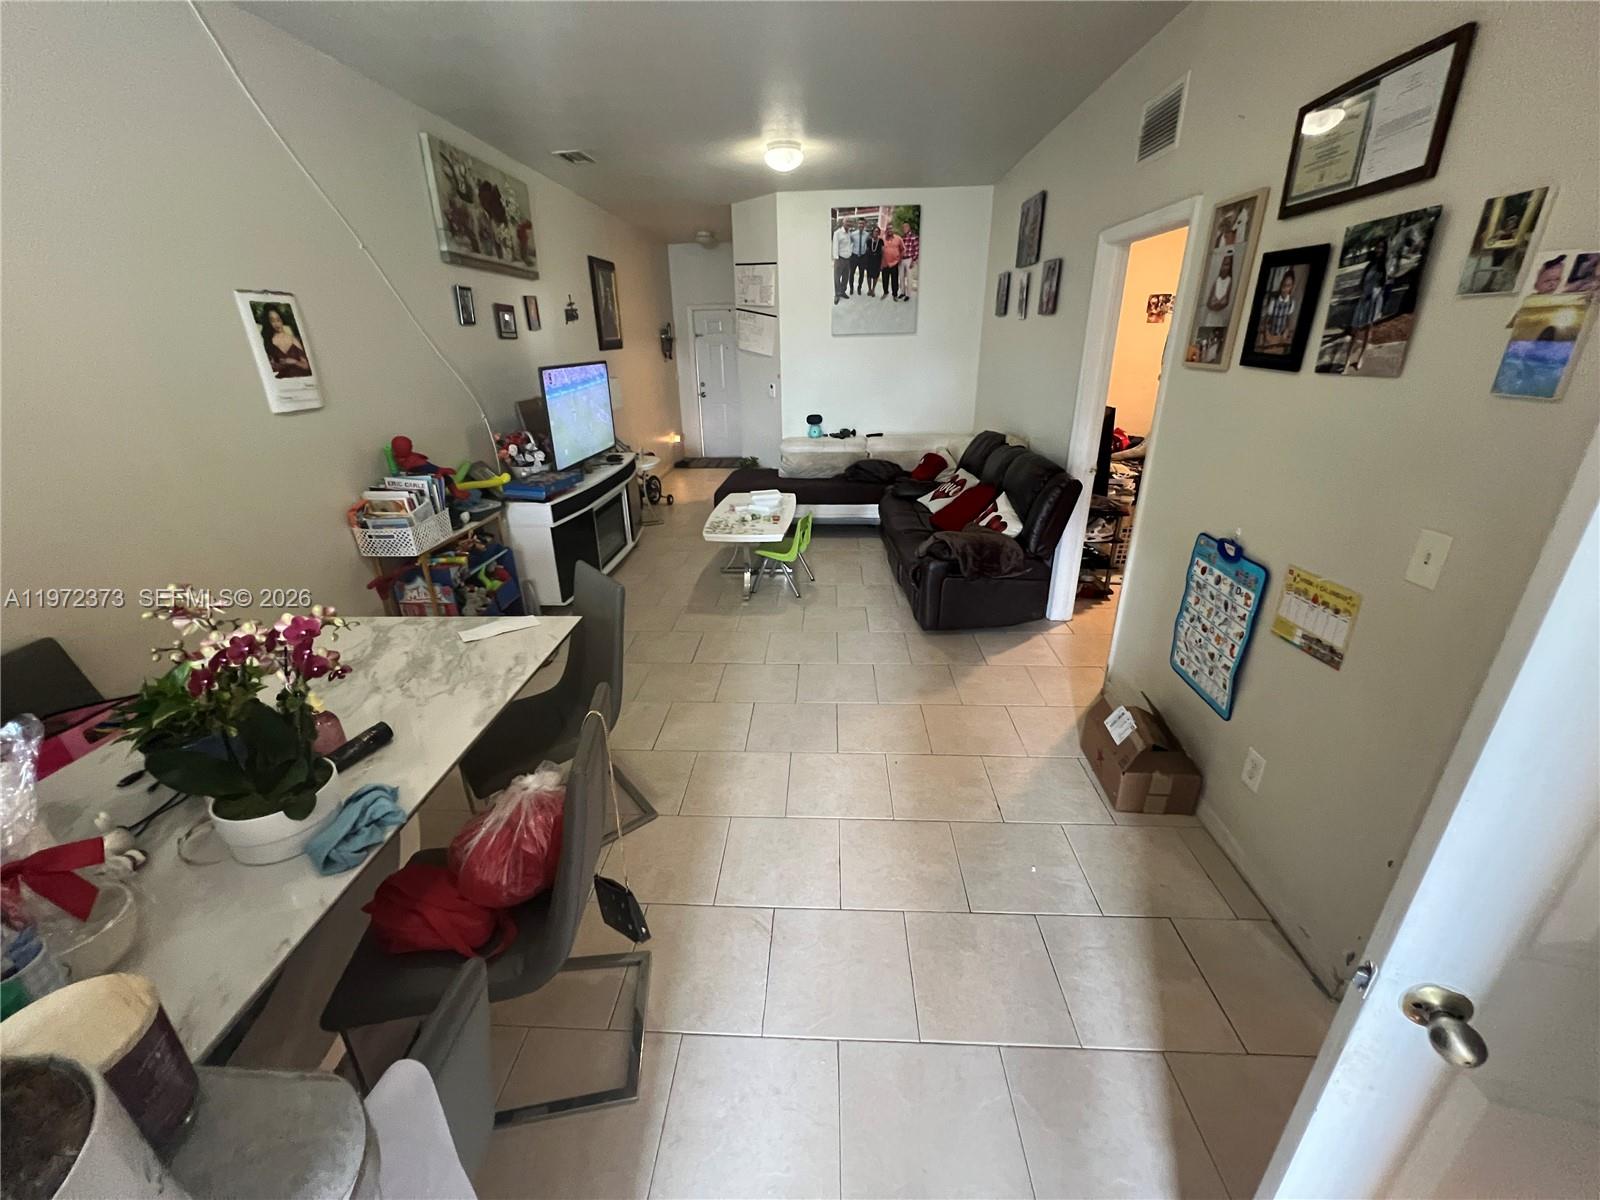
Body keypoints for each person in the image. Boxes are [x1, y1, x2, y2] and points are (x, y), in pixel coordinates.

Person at [1344, 236, 1390, 373]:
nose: (1378, 250)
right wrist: (1361, 293)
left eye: (1381, 247)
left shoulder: (1385, 267)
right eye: (1377, 247)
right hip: (1363, 300)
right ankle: (1347, 360)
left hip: (1374, 301)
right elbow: (1361, 284)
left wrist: (1376, 298)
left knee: (1368, 331)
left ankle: (1361, 357)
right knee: (1355, 330)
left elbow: (1383, 287)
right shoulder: (1370, 265)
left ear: (1385, 249)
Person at [259, 305, 311, 378]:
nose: (277, 324)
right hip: (284, 379)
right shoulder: (268, 342)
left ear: (282, 320)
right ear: (268, 323)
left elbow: (307, 366)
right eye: (272, 321)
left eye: (278, 320)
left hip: (302, 376)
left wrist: (294, 362)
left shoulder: (293, 339)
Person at [1258, 267, 1297, 351]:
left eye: (1288, 285)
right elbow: (1267, 319)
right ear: (1281, 283)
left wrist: (1287, 330)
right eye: (1284, 284)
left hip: (1281, 337)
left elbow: (1288, 317)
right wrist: (1267, 333)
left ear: (1291, 287)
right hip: (1270, 335)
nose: (1285, 288)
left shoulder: (1291, 302)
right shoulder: (1274, 301)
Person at [880, 224, 905, 301]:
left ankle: (895, 295)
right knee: (885, 280)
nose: (889, 230)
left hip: (894, 263)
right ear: (886, 230)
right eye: (888, 229)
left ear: (893, 229)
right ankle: (885, 292)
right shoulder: (882, 239)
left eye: (891, 228)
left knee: (894, 280)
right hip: (885, 263)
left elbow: (903, 249)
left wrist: (900, 259)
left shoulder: (898, 238)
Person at [831, 218, 853, 304]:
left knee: (845, 277)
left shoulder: (849, 233)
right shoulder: (837, 233)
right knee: (837, 278)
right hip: (840, 259)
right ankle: (837, 294)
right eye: (847, 221)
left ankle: (843, 292)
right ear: (843, 223)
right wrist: (836, 259)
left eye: (850, 221)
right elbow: (835, 246)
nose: (849, 223)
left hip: (848, 259)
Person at [898, 220, 920, 300]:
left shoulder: (914, 237)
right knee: (901, 277)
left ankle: (908, 295)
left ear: (909, 227)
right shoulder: (902, 238)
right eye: (903, 227)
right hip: (901, 260)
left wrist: (913, 261)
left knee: (909, 278)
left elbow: (917, 250)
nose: (904, 228)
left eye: (906, 226)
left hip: (909, 260)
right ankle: (902, 292)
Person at [849, 218, 869, 296]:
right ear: (857, 224)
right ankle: (851, 288)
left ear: (865, 224)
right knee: (851, 273)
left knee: (861, 274)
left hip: (862, 257)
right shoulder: (853, 234)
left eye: (862, 223)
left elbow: (867, 244)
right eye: (860, 223)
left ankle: (859, 288)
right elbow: (849, 243)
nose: (861, 225)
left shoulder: (867, 234)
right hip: (854, 256)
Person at [863, 224, 884, 297]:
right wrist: (865, 262)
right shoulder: (869, 241)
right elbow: (866, 251)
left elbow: (883, 252)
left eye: (877, 231)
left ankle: (873, 289)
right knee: (869, 275)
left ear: (879, 233)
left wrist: (882, 263)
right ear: (872, 232)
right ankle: (869, 289)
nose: (876, 233)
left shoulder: (881, 241)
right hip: (869, 260)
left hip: (877, 261)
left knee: (876, 276)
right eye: (875, 231)